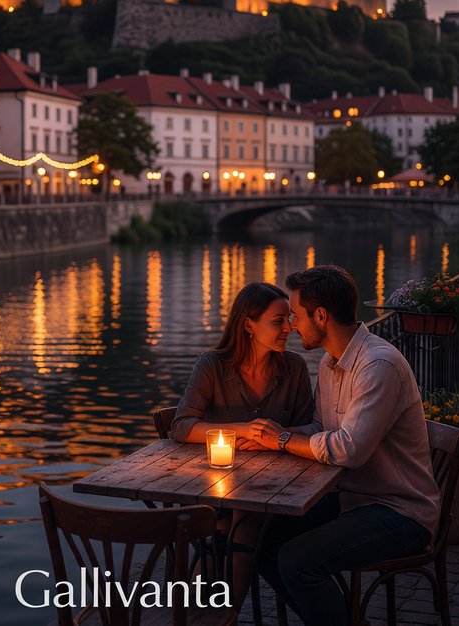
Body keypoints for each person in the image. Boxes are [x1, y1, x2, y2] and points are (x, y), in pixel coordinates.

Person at [247, 265, 439, 624]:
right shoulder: (332, 360)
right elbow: (322, 428)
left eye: (296, 316)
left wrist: (285, 440)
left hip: (399, 511)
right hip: (353, 500)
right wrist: (269, 439)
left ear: (321, 316)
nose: (291, 327)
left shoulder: (377, 365)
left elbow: (349, 449)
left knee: (297, 560)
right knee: (260, 539)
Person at [171, 281, 314, 607]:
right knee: (220, 520)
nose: (288, 328)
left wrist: (277, 438)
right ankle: (211, 610)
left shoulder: (294, 368)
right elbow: (181, 426)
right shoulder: (212, 365)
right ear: (249, 324)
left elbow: (310, 428)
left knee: (240, 521)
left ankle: (225, 611)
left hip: (277, 490)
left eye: (289, 319)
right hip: (214, 486)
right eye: (278, 321)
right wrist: (242, 430)